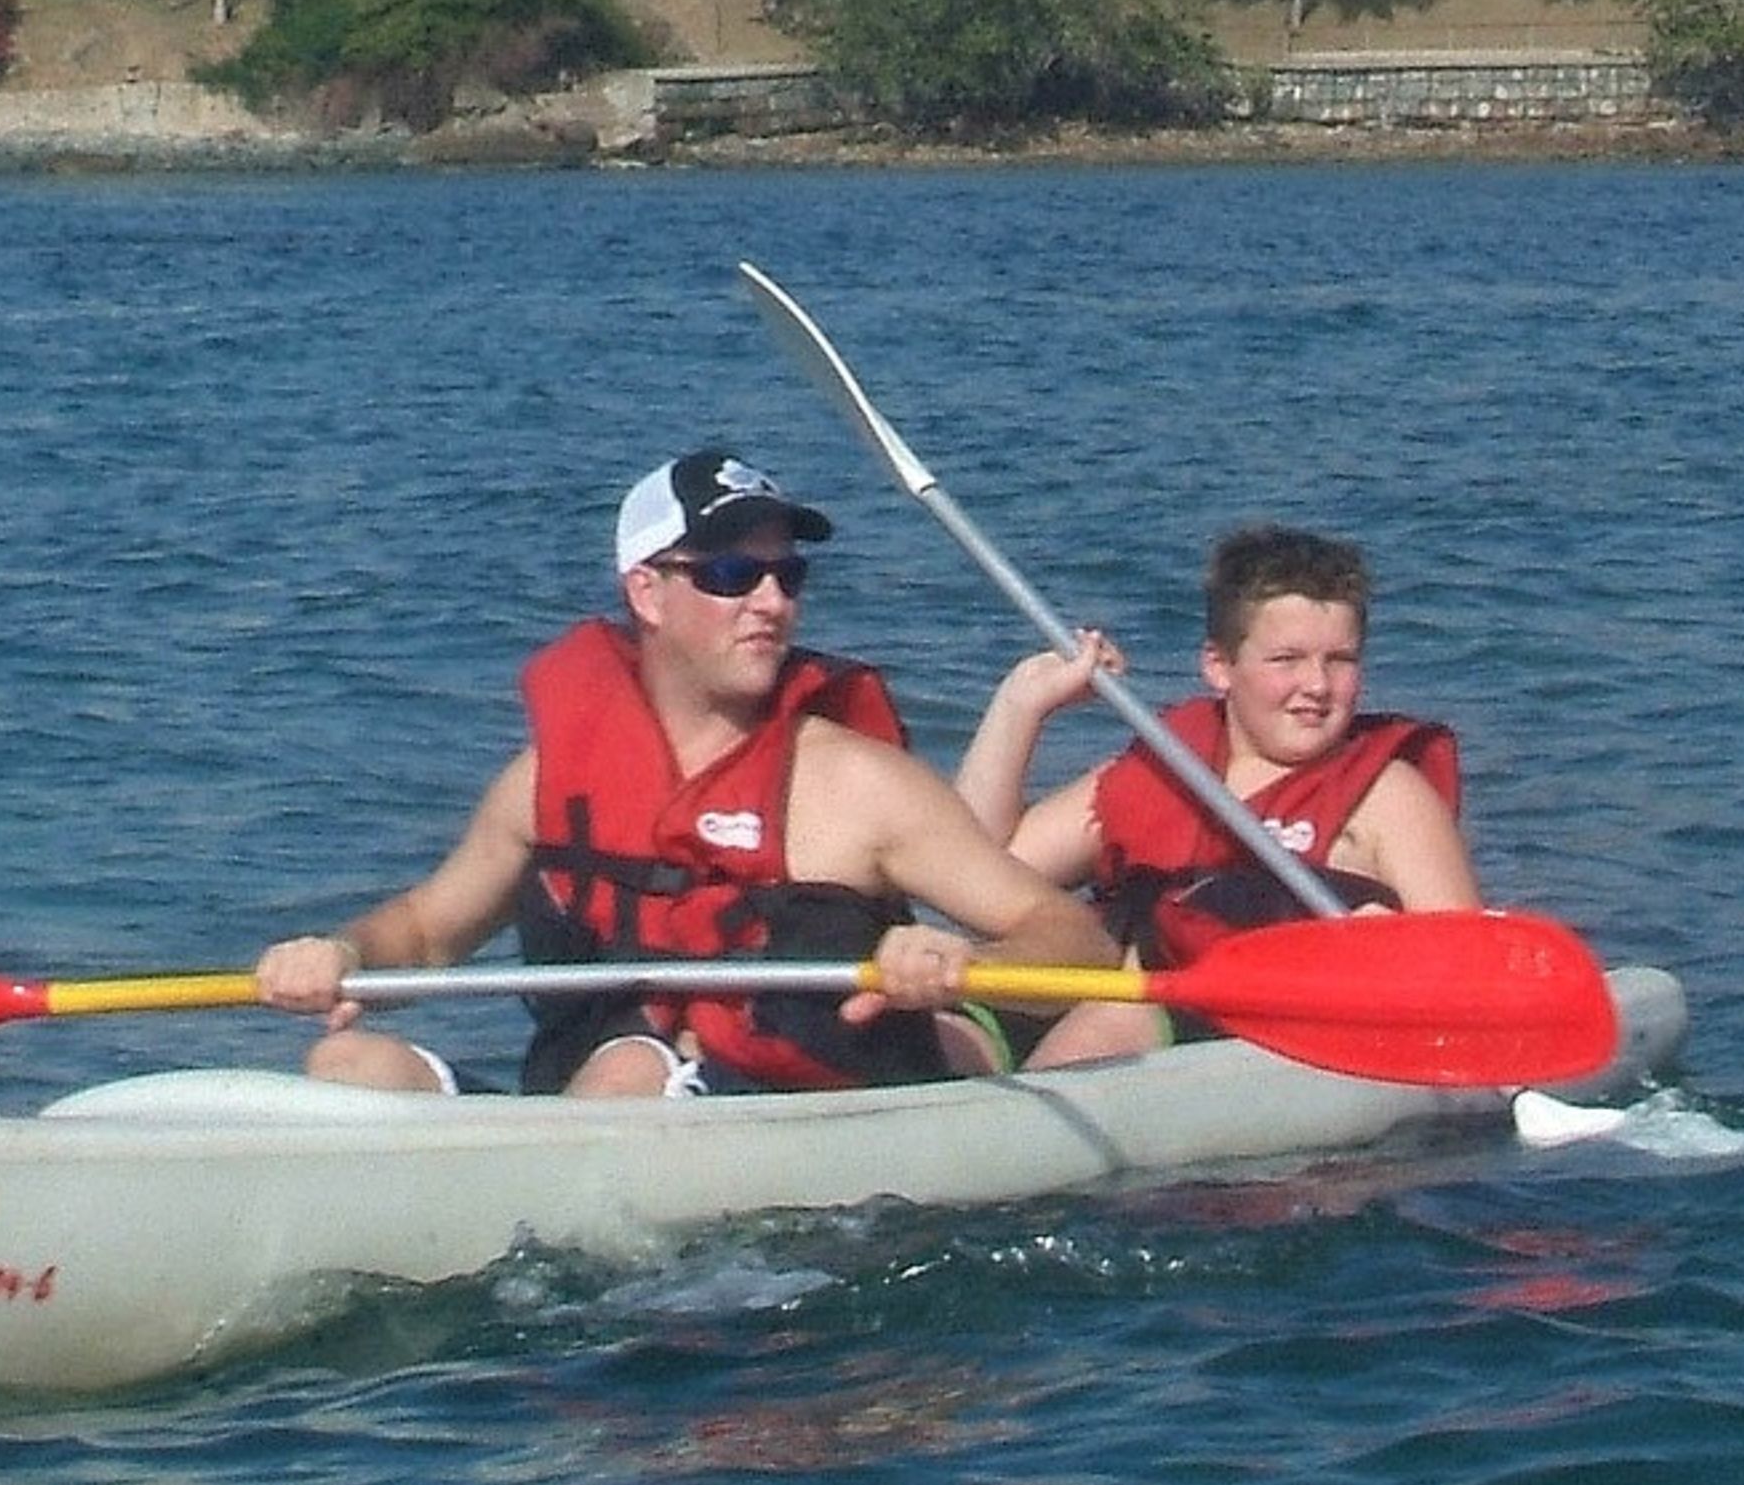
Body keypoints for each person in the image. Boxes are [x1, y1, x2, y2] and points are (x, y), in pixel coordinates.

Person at [253, 448, 1117, 1097]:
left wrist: (957, 962)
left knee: (628, 1072)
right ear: (645, 592)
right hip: (600, 1111)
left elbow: (1076, 944)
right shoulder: (548, 780)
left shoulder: (859, 786)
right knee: (347, 1063)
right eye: (733, 574)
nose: (771, 601)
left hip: (797, 1119)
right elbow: (429, 929)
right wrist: (344, 951)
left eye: (787, 574)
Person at [955, 524, 1479, 1065]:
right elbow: (976, 873)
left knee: (1112, 1022)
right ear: (1218, 667)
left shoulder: (1389, 799)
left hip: (1231, 1028)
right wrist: (1021, 707)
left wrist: (1398, 956)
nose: (1318, 685)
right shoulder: (1164, 765)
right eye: (1286, 660)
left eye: (1340, 660)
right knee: (948, 1026)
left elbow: (1468, 974)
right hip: (1102, 992)